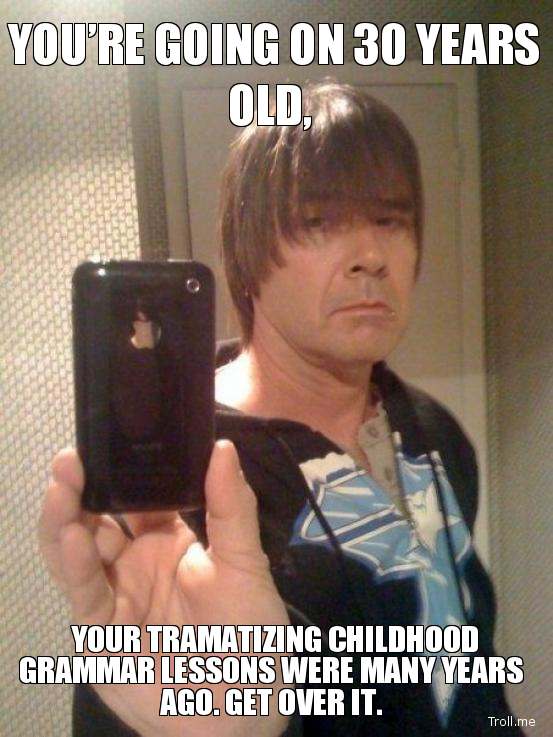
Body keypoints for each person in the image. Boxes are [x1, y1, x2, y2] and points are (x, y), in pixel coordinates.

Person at [39, 81, 523, 736]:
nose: (371, 258)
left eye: (390, 220)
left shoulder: (434, 430)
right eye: (318, 222)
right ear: (247, 252)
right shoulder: (178, 481)